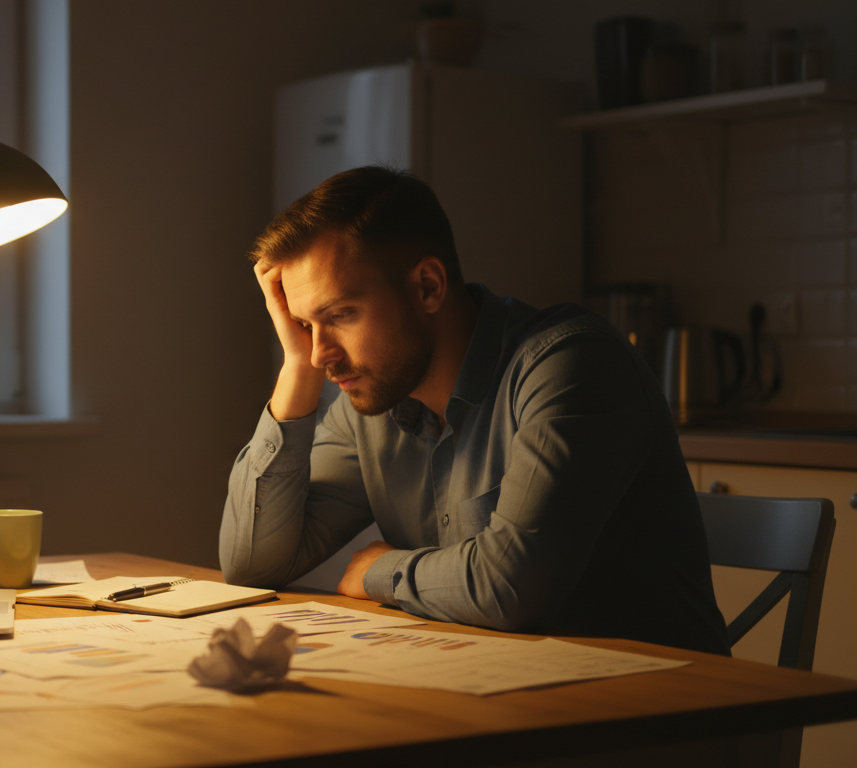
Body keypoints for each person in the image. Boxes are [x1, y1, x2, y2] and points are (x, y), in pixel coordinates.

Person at [220, 165, 729, 655]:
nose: (321, 353)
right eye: (306, 325)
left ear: (428, 287)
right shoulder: (372, 401)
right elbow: (252, 565)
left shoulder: (570, 365)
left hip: (662, 703)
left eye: (340, 315)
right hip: (498, 688)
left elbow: (511, 587)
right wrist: (296, 368)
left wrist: (380, 570)